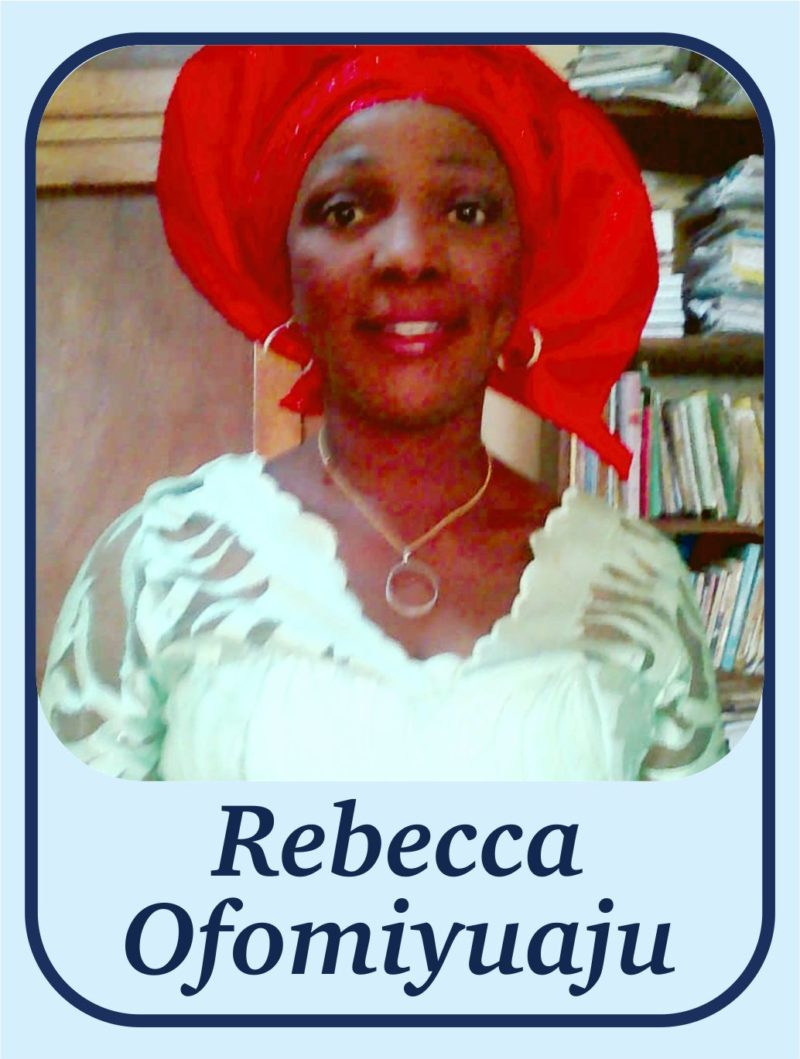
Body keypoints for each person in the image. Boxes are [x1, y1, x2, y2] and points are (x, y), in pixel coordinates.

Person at [40, 44, 726, 781]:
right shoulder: (161, 561)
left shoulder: (638, 584)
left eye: (467, 211)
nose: (408, 254)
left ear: (523, 267)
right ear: (285, 269)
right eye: (345, 210)